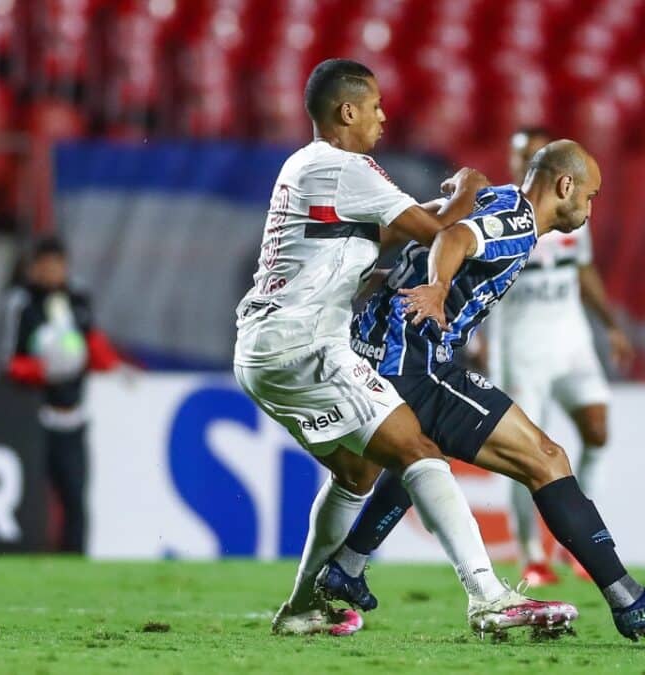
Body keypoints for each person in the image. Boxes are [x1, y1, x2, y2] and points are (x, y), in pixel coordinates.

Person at [318, 139, 645, 641]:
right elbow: (456, 237)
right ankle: (628, 600)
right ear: (565, 185)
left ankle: (347, 566)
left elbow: (430, 223)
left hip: (380, 350)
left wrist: (388, 272)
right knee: (546, 458)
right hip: (413, 363)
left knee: (422, 452)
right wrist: (437, 288)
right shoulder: (519, 221)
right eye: (590, 196)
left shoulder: (496, 199)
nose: (591, 207)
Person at [233, 58, 576, 637]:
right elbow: (438, 229)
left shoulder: (303, 164)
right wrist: (469, 187)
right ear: (347, 111)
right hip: (306, 344)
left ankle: (301, 610)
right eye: (374, 107)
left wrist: (377, 261)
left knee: (355, 472)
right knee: (420, 450)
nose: (383, 118)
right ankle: (489, 597)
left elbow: (378, 233)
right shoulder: (347, 167)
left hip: (261, 349)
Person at [481, 127, 633, 585]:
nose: (525, 162)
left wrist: (610, 325)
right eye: (520, 155)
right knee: (525, 453)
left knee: (598, 428)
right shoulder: (498, 214)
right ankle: (531, 554)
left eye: (533, 154)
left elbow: (582, 271)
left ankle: (582, 543)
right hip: (519, 350)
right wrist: (478, 338)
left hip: (570, 340)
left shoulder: (569, 216)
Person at [0, 236, 129, 554]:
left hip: (73, 416)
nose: (51, 272)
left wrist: (115, 366)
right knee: (32, 497)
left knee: (75, 496)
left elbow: (92, 343)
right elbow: (7, 362)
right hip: (34, 416)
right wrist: (44, 371)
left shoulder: (78, 298)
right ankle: (30, 553)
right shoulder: (21, 304)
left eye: (56, 265)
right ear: (34, 268)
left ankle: (74, 558)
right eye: (44, 266)